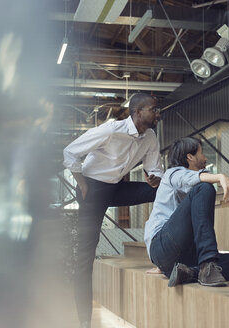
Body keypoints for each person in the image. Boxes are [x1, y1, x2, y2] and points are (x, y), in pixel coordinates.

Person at [63, 93, 163, 328]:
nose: (158, 113)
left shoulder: (150, 137)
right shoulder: (110, 130)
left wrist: (156, 179)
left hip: (116, 188)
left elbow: (154, 169)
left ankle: (165, 248)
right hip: (93, 190)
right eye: (154, 109)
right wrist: (82, 183)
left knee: (164, 191)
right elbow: (69, 152)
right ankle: (84, 320)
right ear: (138, 112)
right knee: (86, 255)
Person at [144, 137, 229, 288]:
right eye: (202, 153)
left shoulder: (198, 181)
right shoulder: (172, 173)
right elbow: (188, 179)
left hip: (183, 258)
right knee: (204, 187)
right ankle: (207, 263)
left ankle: (191, 272)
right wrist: (221, 176)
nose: (206, 158)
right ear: (190, 156)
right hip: (162, 246)